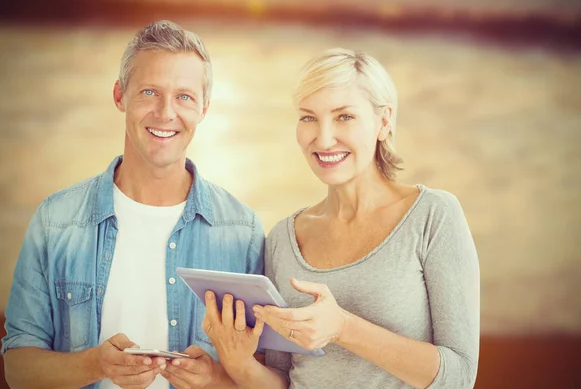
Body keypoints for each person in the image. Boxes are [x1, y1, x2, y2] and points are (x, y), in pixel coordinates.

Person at [1, 20, 265, 389]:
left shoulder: (243, 231)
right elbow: (17, 369)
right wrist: (95, 365)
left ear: (204, 108)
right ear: (119, 95)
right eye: (149, 92)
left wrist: (213, 380)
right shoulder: (55, 220)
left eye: (184, 97)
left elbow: (262, 375)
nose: (165, 112)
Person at [202, 48, 480, 389]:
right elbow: (285, 380)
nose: (323, 137)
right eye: (308, 118)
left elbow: (460, 376)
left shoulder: (433, 215)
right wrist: (237, 364)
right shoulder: (283, 239)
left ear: (384, 121)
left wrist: (343, 328)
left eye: (344, 116)